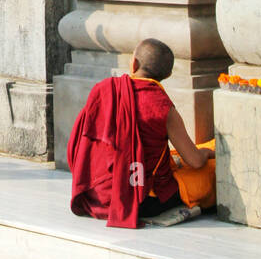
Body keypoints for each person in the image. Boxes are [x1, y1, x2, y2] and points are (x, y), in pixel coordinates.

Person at [68, 37, 216, 228]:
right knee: (206, 176)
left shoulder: (103, 90)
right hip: (140, 201)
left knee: (173, 159)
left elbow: (80, 145)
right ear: (168, 74)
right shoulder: (162, 106)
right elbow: (195, 161)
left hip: (94, 194)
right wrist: (207, 153)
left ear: (134, 63)